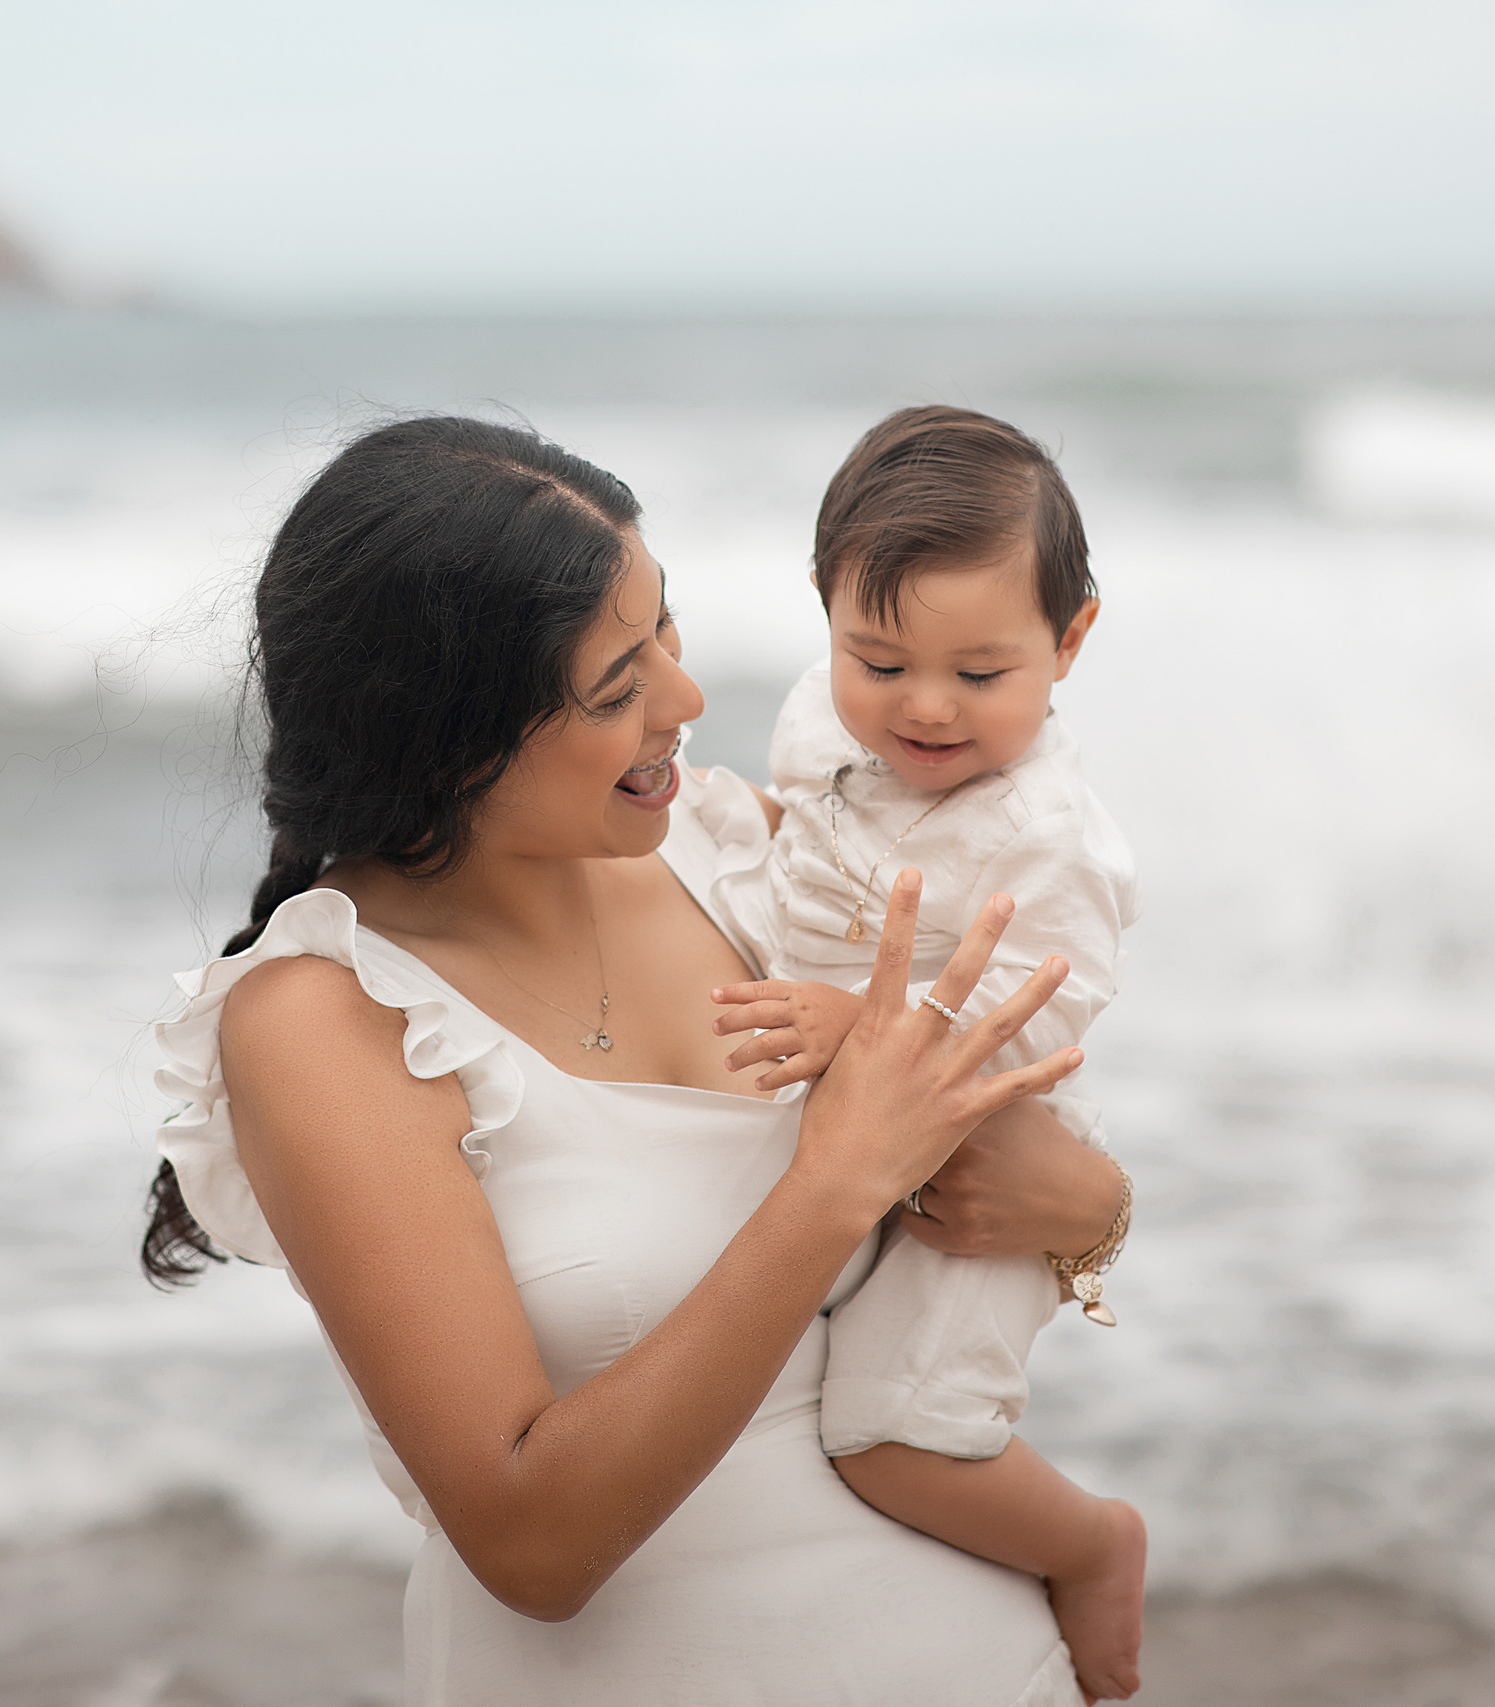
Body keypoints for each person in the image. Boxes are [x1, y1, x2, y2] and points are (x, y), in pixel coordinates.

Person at [141, 416, 1130, 1705]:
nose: (686, 700)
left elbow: (1002, 1122)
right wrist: (826, 1186)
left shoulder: (743, 858)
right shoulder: (325, 1020)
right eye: (618, 689)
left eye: (668, 631)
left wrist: (1097, 1211)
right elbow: (531, 1542)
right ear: (448, 739)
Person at [705, 406, 1147, 1699]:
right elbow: (801, 820)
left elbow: (1044, 1013)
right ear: (826, 611)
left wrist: (863, 1031)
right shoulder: (831, 716)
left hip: (984, 1169)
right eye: (879, 660)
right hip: (860, 1144)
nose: (927, 708)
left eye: (981, 671)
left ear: (1070, 641)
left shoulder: (1048, 837)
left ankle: (1091, 1543)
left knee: (892, 1435)